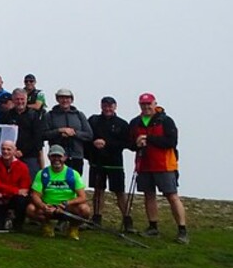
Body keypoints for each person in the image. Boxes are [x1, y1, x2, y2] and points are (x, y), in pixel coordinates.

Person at [129, 93, 187, 244]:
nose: (146, 107)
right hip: (144, 165)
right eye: (143, 104)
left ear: (155, 104)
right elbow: (130, 144)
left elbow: (171, 142)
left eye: (149, 104)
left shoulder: (166, 121)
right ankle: (153, 226)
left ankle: (182, 230)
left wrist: (148, 139)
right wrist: (136, 144)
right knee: (149, 195)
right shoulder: (135, 122)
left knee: (172, 196)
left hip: (165, 165)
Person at [27, 144, 90, 240]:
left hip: (67, 207)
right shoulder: (42, 174)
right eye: (53, 156)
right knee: (30, 209)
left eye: (59, 156)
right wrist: (43, 206)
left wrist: (66, 203)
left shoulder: (73, 174)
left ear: (64, 157)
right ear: (49, 157)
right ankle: (46, 225)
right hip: (48, 207)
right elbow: (35, 195)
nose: (56, 159)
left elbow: (82, 197)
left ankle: (73, 228)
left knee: (85, 209)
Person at [88, 96, 132, 231]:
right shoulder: (93, 120)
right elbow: (87, 137)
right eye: (105, 106)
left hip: (115, 162)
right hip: (97, 162)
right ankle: (96, 219)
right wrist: (94, 143)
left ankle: (127, 221)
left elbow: (127, 143)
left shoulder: (122, 124)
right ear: (101, 106)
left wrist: (107, 143)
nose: (107, 108)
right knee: (98, 191)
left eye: (110, 106)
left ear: (115, 107)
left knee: (120, 192)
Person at [43, 88, 92, 175]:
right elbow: (44, 135)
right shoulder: (50, 115)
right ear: (57, 99)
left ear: (71, 100)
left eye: (67, 98)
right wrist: (59, 131)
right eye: (62, 97)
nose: (64, 100)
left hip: (76, 156)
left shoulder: (79, 115)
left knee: (75, 181)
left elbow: (89, 135)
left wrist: (73, 133)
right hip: (57, 157)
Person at [0, 89, 45, 178]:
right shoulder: (6, 116)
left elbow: (37, 138)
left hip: (30, 156)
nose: (20, 102)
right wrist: (12, 151)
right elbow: (2, 134)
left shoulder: (34, 115)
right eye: (17, 99)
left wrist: (23, 151)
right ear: (13, 100)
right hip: (10, 156)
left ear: (26, 99)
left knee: (31, 181)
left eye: (22, 99)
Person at [0, 140, 30, 230]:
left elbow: (24, 189)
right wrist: (16, 191)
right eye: (3, 149)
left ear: (15, 151)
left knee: (22, 200)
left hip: (10, 197)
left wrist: (3, 193)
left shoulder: (23, 166)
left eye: (8, 149)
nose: (5, 152)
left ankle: (17, 224)